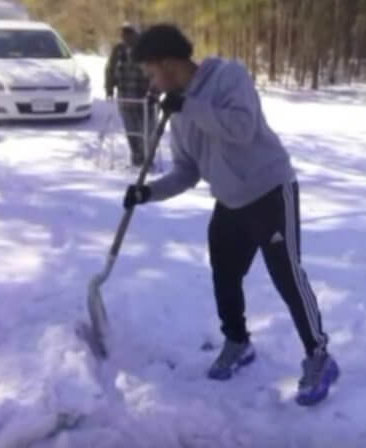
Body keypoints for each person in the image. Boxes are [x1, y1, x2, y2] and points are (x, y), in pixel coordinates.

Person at [123, 24, 339, 406]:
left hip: (270, 191)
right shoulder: (177, 109)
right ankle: (238, 342)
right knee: (224, 273)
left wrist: (190, 106)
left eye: (152, 72)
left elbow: (241, 128)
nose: (151, 83)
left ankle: (318, 355)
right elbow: (187, 171)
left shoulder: (229, 76)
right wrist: (148, 192)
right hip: (230, 201)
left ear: (170, 64)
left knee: (287, 276)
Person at [105, 23, 152, 167]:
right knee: (131, 130)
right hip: (125, 96)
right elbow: (110, 69)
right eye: (123, 33)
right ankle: (136, 157)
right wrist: (109, 88)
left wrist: (154, 92)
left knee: (147, 131)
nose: (125, 36)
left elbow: (155, 72)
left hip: (145, 98)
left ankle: (147, 158)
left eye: (129, 33)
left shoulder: (147, 49)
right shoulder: (118, 50)